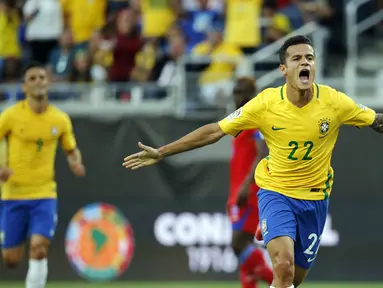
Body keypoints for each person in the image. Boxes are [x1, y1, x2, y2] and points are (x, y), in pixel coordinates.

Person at [122, 35, 383, 287]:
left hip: (315, 200)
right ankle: (273, 227)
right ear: (284, 68)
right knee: (283, 269)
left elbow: (376, 121)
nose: (304, 63)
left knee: (293, 280)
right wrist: (163, 151)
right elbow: (214, 131)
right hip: (275, 192)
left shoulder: (335, 102)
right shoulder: (266, 104)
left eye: (310, 58)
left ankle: (270, 234)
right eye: (296, 59)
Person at [0, 62, 86, 288]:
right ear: (24, 87)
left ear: (48, 82)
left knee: (39, 247)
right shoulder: (10, 116)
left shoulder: (59, 119)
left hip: (44, 194)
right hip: (13, 194)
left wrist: (75, 163)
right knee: (11, 258)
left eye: (42, 77)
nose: (38, 81)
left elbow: (70, 149)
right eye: (32, 78)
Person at [228, 77, 273, 288]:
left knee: (238, 244)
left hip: (251, 191)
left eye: (241, 92)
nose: (237, 96)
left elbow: (263, 152)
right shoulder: (240, 119)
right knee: (243, 252)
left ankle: (280, 282)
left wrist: (246, 185)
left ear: (252, 94)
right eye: (235, 92)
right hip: (238, 192)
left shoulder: (256, 119)